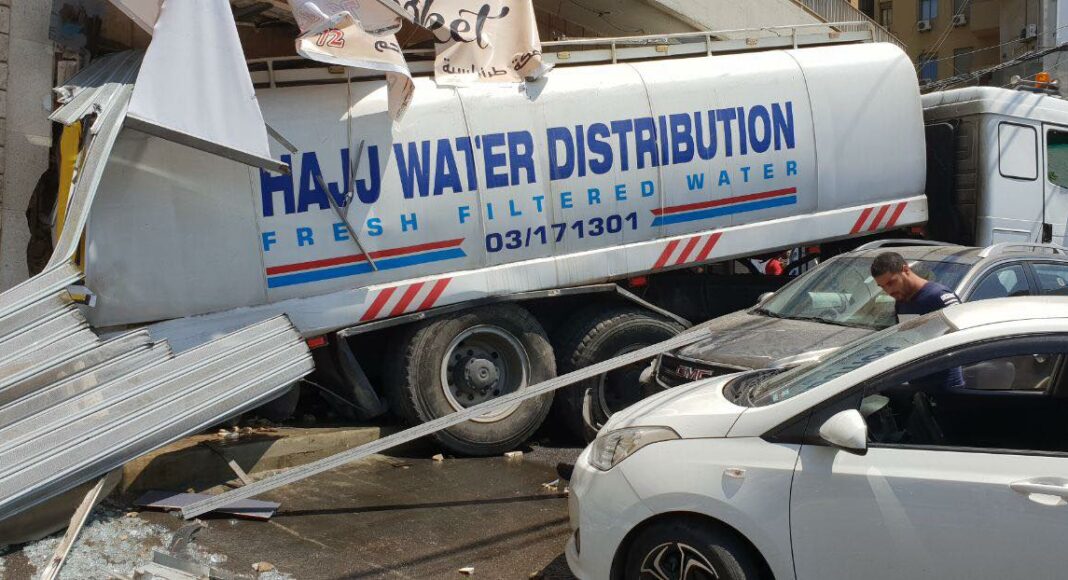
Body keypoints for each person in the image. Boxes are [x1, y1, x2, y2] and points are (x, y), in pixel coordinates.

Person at [871, 251, 963, 389]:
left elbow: (963, 338)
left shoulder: (939, 296)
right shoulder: (901, 301)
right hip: (916, 384)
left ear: (906, 270)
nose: (888, 291)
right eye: (882, 286)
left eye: (891, 282)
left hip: (946, 386)